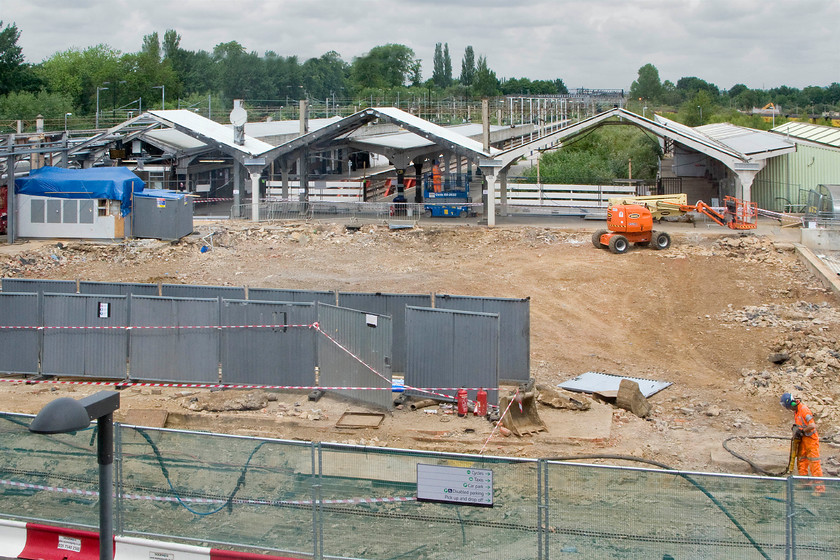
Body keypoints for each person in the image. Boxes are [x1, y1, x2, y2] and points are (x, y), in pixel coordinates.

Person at [780, 392, 825, 494]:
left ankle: (820, 489)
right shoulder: (796, 411)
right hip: (803, 440)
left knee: (814, 464)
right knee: (801, 461)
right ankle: (805, 483)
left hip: (811, 440)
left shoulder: (804, 410)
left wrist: (803, 431)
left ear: (791, 404)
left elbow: (812, 425)